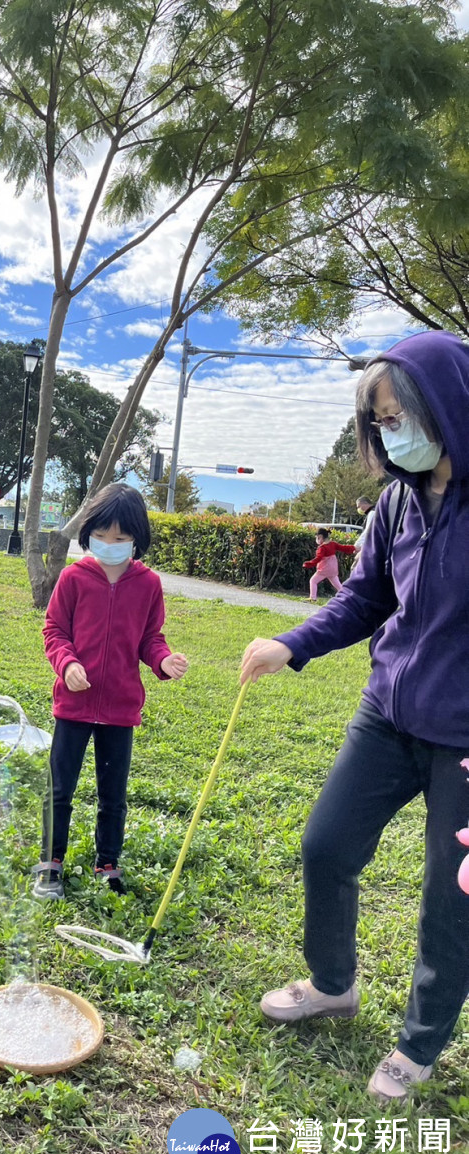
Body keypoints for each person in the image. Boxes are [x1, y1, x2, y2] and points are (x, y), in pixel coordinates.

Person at [239, 330, 469, 1103]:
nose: (391, 431)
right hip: (389, 713)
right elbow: (367, 599)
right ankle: (333, 982)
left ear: (449, 402)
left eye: (401, 413)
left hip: (466, 742)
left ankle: (418, 1046)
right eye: (380, 420)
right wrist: (291, 643)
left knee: (452, 898)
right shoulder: (399, 500)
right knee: (327, 844)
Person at [33, 483, 189, 900]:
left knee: (113, 793)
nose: (109, 545)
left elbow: (150, 639)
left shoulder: (148, 584)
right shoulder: (73, 577)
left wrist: (163, 661)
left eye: (120, 539)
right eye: (100, 536)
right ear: (88, 534)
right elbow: (54, 631)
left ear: (136, 539)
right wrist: (67, 665)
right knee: (60, 787)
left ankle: (108, 863)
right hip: (73, 706)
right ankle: (51, 862)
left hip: (121, 708)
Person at [302, 527, 355, 600]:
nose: (317, 540)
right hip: (333, 568)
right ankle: (348, 598)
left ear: (320, 537)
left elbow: (318, 558)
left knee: (313, 581)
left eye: (317, 538)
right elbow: (343, 548)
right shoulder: (333, 544)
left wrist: (308, 563)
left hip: (324, 568)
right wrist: (354, 548)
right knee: (338, 585)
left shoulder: (322, 548)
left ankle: (312, 597)